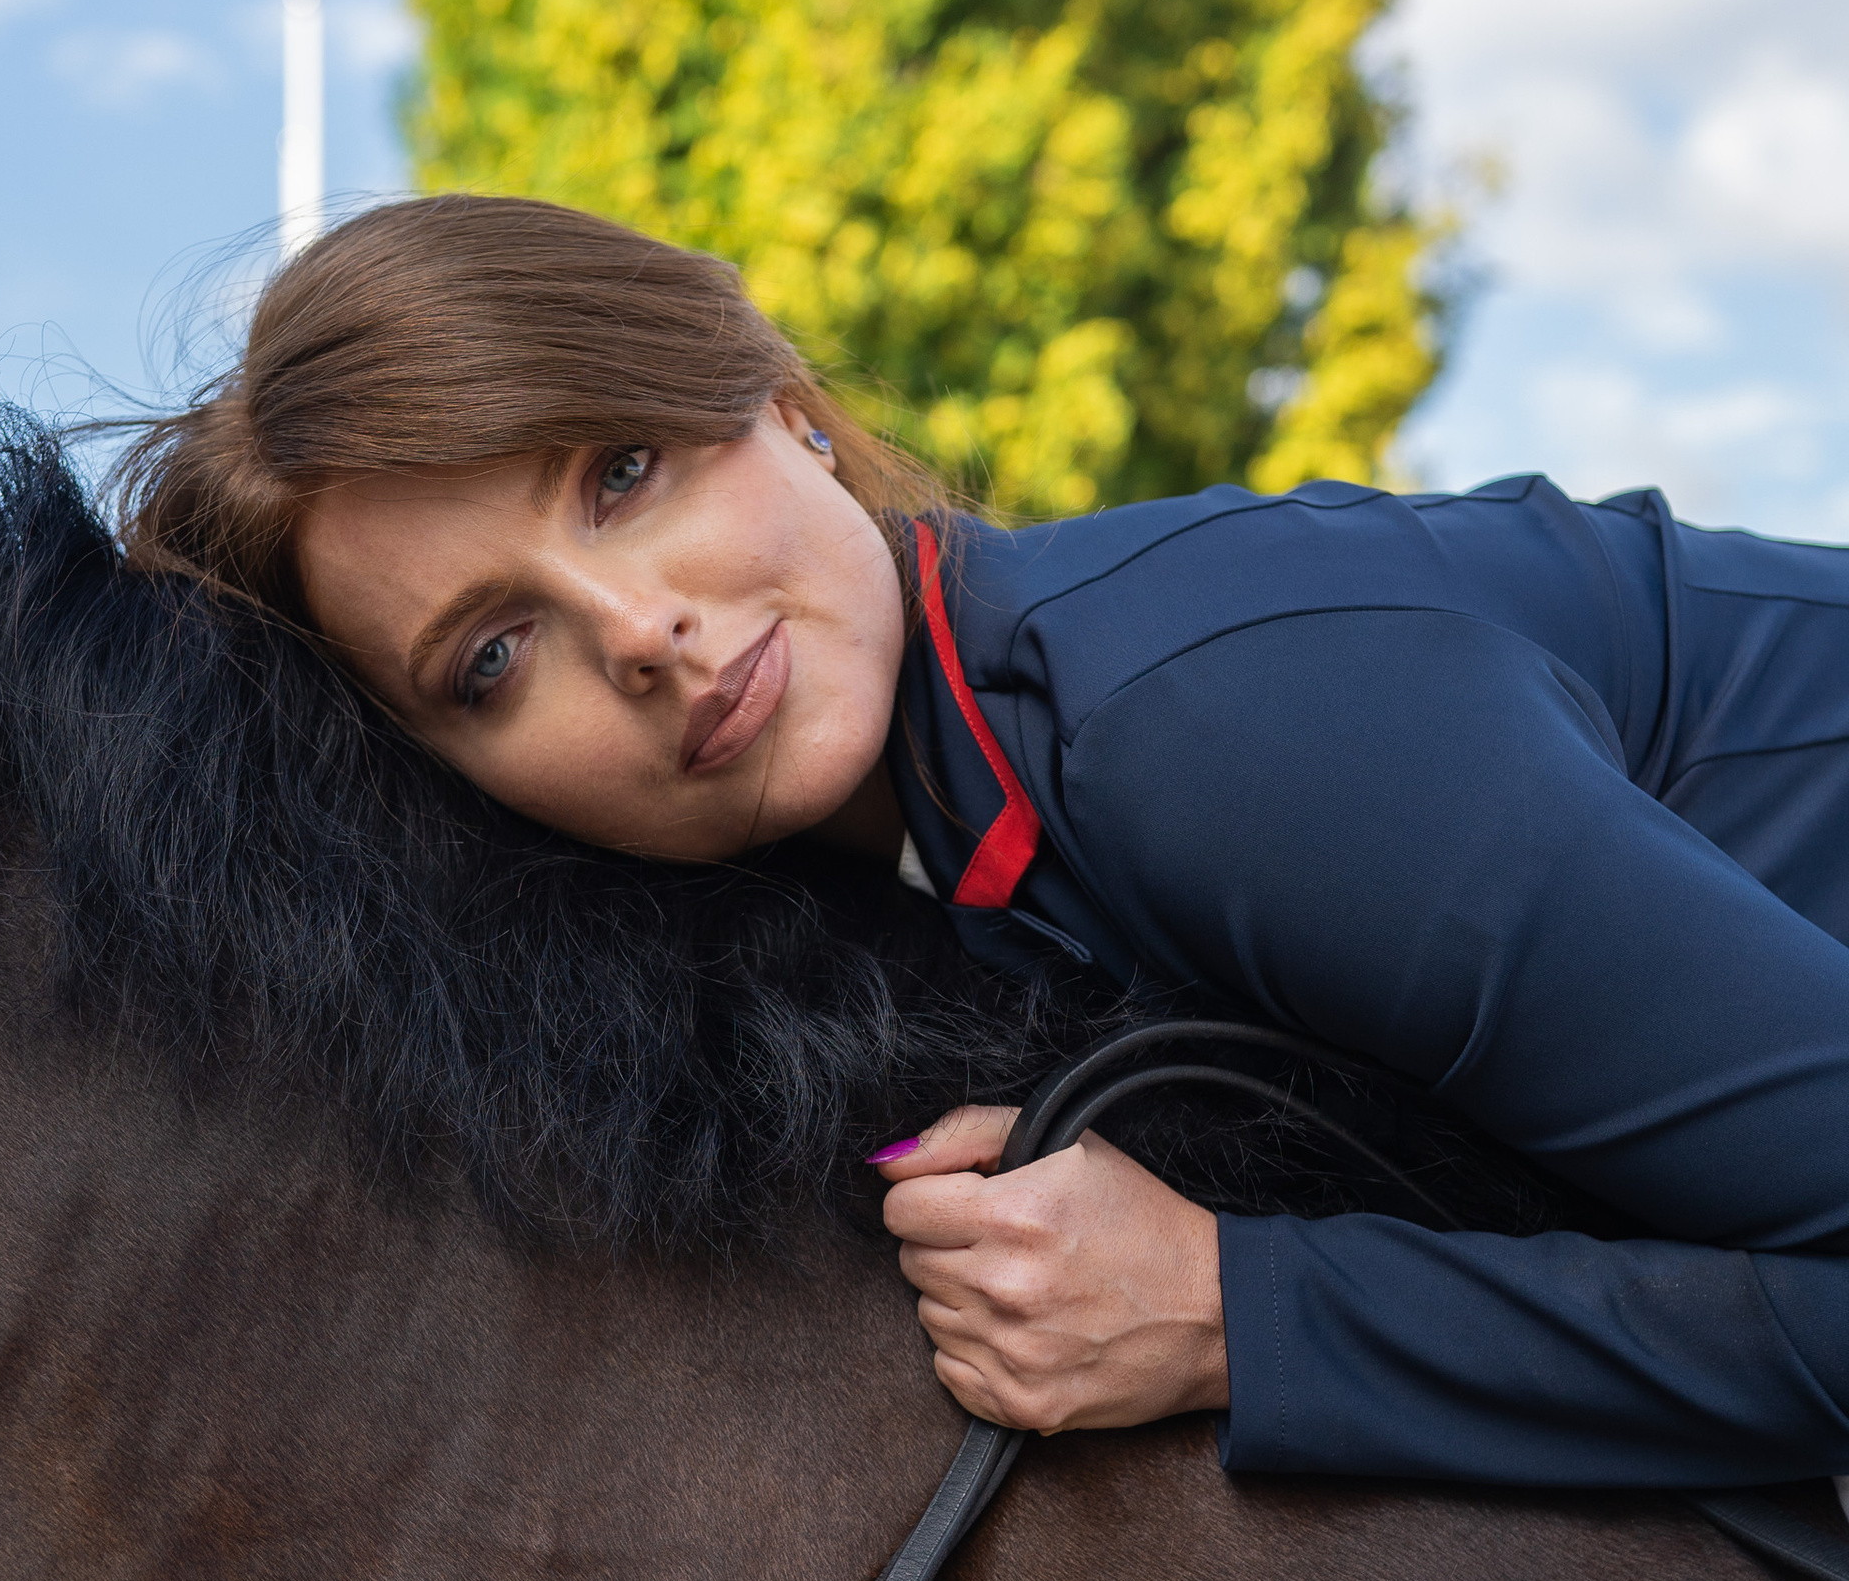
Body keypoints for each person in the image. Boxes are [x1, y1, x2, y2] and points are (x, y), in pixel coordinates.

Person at [117, 189, 1849, 1498]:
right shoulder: (936, 836)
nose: (636, 630)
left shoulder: (1199, 726)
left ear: (786, 406)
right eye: (490, 658)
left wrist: (1245, 1313)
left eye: (623, 472)